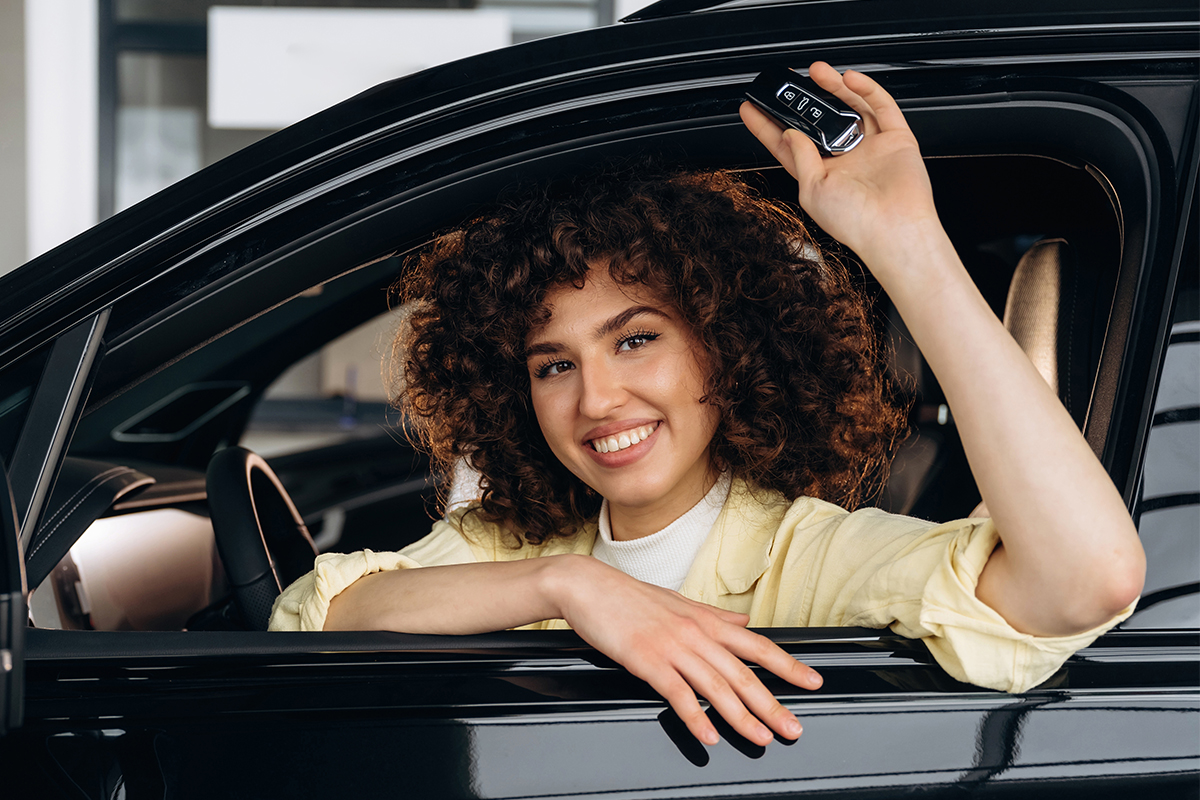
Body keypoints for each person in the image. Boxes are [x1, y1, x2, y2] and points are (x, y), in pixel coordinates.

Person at [270, 62, 1145, 748]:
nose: (597, 399)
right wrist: (568, 585)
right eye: (551, 365)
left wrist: (904, 243)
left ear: (724, 345)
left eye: (636, 339)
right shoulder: (517, 544)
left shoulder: (808, 555)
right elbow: (322, 615)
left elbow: (1085, 580)